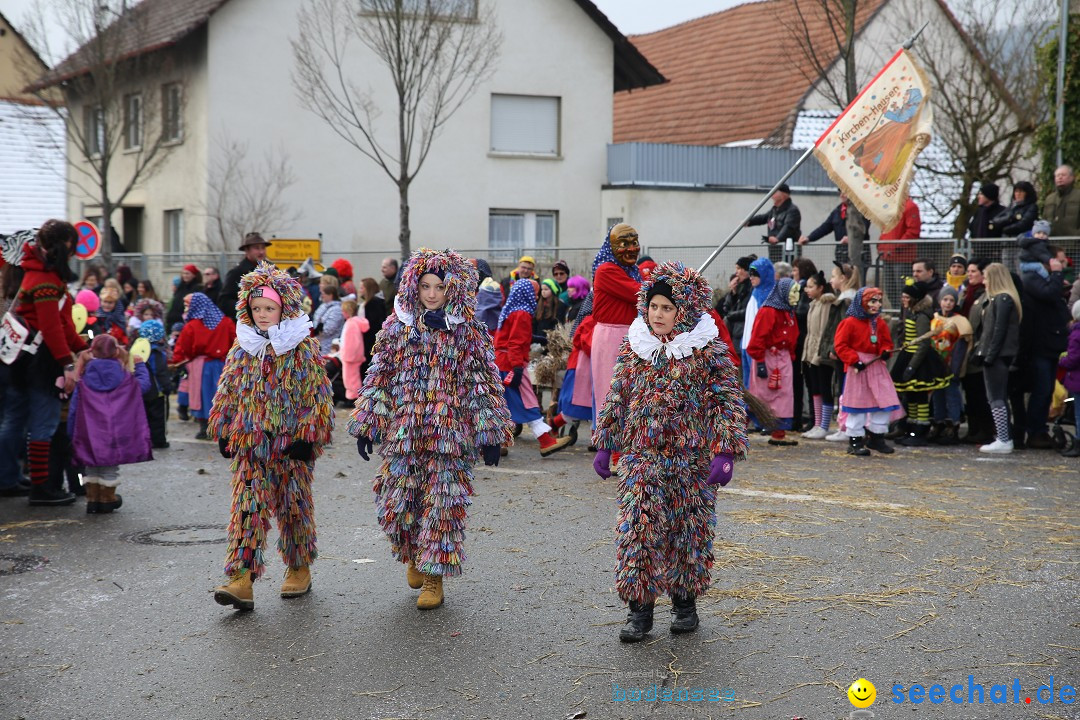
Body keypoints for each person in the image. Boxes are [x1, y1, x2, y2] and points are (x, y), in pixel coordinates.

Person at [591, 261, 748, 642]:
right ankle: (639, 610)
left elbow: (726, 401)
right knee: (638, 530)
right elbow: (619, 394)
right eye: (653, 306)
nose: (657, 315)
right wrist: (606, 440)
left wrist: (725, 451)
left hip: (691, 460)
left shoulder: (706, 350)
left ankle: (684, 604)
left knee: (688, 531)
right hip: (641, 455)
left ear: (684, 311)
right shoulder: (637, 344)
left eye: (666, 308)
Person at [349, 248, 514, 611]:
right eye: (425, 286)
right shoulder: (397, 326)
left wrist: (490, 433)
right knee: (397, 504)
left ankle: (433, 575)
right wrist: (367, 425)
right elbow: (380, 377)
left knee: (441, 506)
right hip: (404, 433)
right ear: (414, 286)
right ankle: (412, 552)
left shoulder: (467, 331)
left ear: (452, 288)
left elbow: (482, 382)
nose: (432, 294)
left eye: (440, 286)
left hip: (449, 436)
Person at [209, 262, 334, 611]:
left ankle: (298, 566)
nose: (262, 315)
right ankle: (242, 578)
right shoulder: (242, 347)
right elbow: (229, 390)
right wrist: (223, 426)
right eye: (256, 308)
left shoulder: (302, 349)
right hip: (250, 444)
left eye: (269, 308)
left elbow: (318, 397)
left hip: (289, 446)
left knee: (292, 507)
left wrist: (309, 436)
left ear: (284, 308)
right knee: (247, 508)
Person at [0, 221, 89, 505]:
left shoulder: (35, 272)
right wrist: (67, 363)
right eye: (72, 245)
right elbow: (52, 329)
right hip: (40, 362)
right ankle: (42, 487)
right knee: (43, 423)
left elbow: (61, 324)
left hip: (21, 359)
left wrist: (82, 346)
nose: (74, 252)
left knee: (15, 419)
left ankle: (7, 478)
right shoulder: (47, 280)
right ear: (64, 245)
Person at [68, 334, 153, 513]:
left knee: (91, 466)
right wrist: (139, 365)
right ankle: (107, 499)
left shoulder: (83, 378)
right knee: (110, 466)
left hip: (90, 432)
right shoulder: (124, 377)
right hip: (116, 432)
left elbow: (75, 407)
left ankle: (92, 499)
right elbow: (143, 387)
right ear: (116, 351)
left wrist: (71, 432)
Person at [496, 279, 573, 457]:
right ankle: (546, 441)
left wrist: (537, 338)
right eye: (535, 293)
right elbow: (515, 343)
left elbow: (512, 337)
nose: (537, 297)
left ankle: (496, 443)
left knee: (503, 405)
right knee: (527, 401)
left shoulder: (510, 311)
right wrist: (516, 367)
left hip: (501, 361)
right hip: (511, 363)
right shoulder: (522, 313)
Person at [833, 287, 900, 456]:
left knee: (882, 402)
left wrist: (885, 351)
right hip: (859, 368)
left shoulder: (879, 323)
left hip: (876, 366)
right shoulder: (849, 323)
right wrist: (854, 360)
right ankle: (855, 440)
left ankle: (876, 437)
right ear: (862, 303)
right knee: (858, 404)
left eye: (878, 301)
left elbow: (886, 342)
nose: (876, 305)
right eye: (872, 301)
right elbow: (840, 345)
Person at [1018, 241, 1070, 449]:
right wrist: (1057, 276)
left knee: (1047, 391)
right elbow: (1047, 294)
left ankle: (1040, 430)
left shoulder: (1045, 280)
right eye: (1059, 260)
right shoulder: (1033, 278)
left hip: (1051, 343)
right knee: (1041, 390)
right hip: (1041, 345)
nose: (1062, 264)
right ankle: (1035, 431)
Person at [591, 225, 643, 417]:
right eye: (623, 244)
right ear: (611, 247)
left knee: (630, 392)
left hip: (630, 335)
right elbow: (638, 292)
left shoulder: (633, 271)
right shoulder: (606, 271)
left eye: (634, 243)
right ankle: (608, 443)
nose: (631, 249)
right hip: (611, 336)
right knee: (611, 390)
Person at [969, 263, 1022, 454]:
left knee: (996, 397)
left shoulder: (1002, 299)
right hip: (996, 353)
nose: (984, 281)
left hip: (998, 354)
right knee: (996, 397)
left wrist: (989, 355)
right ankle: (1003, 437)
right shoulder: (1001, 299)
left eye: (986, 277)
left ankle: (1004, 438)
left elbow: (998, 331)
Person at [891, 281, 951, 446]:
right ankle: (911, 429)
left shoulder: (922, 316)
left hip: (919, 360)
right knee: (911, 397)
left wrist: (912, 366)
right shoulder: (911, 312)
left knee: (920, 397)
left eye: (906, 297)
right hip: (908, 355)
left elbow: (923, 344)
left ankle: (920, 431)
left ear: (915, 298)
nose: (903, 299)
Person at [170, 292, 237, 440]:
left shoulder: (192, 325)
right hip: (223, 365)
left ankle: (205, 427)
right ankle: (223, 428)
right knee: (221, 395)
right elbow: (235, 341)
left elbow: (185, 347)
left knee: (201, 396)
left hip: (200, 366)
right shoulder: (226, 322)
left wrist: (178, 361)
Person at [747, 276, 801, 446]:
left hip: (782, 359)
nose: (796, 296)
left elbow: (793, 336)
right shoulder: (769, 311)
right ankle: (737, 430)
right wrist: (760, 361)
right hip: (768, 357)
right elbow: (757, 337)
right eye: (794, 292)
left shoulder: (788, 311)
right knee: (760, 395)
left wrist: (789, 356)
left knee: (783, 396)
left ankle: (779, 433)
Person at [928, 287, 972, 444]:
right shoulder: (935, 318)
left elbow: (961, 346)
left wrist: (955, 367)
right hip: (936, 363)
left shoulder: (959, 321)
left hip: (950, 363)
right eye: (945, 299)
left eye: (951, 300)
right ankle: (938, 422)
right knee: (937, 394)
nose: (948, 303)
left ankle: (952, 425)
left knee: (952, 394)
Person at [801, 271, 842, 439]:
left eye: (811, 287)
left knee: (824, 388)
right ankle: (817, 424)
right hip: (811, 352)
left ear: (820, 288)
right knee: (815, 389)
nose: (807, 290)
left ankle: (824, 425)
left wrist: (818, 354)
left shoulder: (826, 304)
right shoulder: (814, 304)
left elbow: (824, 331)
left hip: (821, 353)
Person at [958, 259, 993, 444]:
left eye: (973, 271)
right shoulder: (967, 293)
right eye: (969, 271)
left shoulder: (984, 295)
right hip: (967, 348)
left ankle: (985, 429)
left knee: (979, 392)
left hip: (977, 349)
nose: (969, 274)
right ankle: (973, 429)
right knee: (970, 392)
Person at [799, 191, 871, 267]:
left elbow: (863, 228)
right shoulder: (837, 211)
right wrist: (809, 238)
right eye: (840, 192)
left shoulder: (861, 210)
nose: (842, 195)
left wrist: (851, 239)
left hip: (859, 254)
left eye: (845, 192)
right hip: (842, 255)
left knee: (857, 277)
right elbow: (824, 228)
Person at [218, 232, 271, 320]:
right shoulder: (237, 272)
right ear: (247, 250)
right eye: (256, 248)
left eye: (263, 248)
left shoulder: (272, 270)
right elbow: (224, 302)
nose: (261, 252)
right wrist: (247, 309)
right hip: (246, 324)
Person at [878, 197, 921, 304]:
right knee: (890, 289)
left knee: (902, 289)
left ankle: (903, 314)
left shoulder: (910, 207)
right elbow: (885, 231)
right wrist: (881, 246)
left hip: (902, 258)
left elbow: (913, 231)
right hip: (888, 256)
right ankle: (897, 313)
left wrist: (895, 246)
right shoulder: (890, 207)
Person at [740, 257, 775, 388]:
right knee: (747, 383)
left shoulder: (768, 295)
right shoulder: (755, 292)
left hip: (756, 346)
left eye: (755, 274)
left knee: (757, 386)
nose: (751, 277)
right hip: (746, 343)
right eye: (750, 274)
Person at [138, 319, 172, 449]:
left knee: (144, 415)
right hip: (157, 391)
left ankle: (144, 439)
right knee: (158, 417)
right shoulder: (157, 353)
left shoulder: (137, 351)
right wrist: (167, 387)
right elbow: (160, 372)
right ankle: (158, 440)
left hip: (143, 389)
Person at [746, 183, 801, 263]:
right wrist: (749, 222)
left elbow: (788, 227)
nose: (772, 194)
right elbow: (763, 218)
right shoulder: (774, 210)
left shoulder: (792, 210)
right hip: (775, 251)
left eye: (775, 191)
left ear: (783, 194)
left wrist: (777, 238)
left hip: (787, 252)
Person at [719, 256, 754, 354]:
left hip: (743, 333)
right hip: (736, 333)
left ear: (746, 270)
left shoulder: (751, 288)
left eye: (739, 268)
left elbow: (746, 311)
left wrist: (730, 316)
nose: (736, 272)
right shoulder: (740, 287)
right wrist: (733, 293)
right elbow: (726, 307)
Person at [1058, 301, 1080, 457]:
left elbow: (1073, 359)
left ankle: (1078, 444)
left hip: (1077, 379)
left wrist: (1061, 361)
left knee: (1078, 414)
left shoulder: (1076, 334)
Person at [339, 299, 369, 401]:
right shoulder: (355, 322)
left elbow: (351, 342)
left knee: (350, 379)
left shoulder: (351, 323)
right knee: (354, 377)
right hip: (355, 355)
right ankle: (355, 396)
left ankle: (353, 397)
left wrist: (347, 355)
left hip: (350, 356)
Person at [1042, 165, 1080, 244]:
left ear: (1072, 177)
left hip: (1075, 245)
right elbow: (1044, 220)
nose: (1060, 178)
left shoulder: (1078, 196)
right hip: (1052, 245)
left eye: (1063, 175)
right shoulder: (1050, 199)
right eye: (1057, 176)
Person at [358, 277, 387, 375]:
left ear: (368, 289)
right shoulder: (374, 302)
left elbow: (373, 323)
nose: (359, 290)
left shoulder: (373, 303)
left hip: (370, 341)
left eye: (362, 288)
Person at [312, 281, 344, 355]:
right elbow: (315, 320)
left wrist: (319, 330)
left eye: (324, 294)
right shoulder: (323, 306)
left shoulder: (337, 310)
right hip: (318, 343)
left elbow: (330, 329)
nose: (322, 296)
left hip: (329, 345)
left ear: (331, 295)